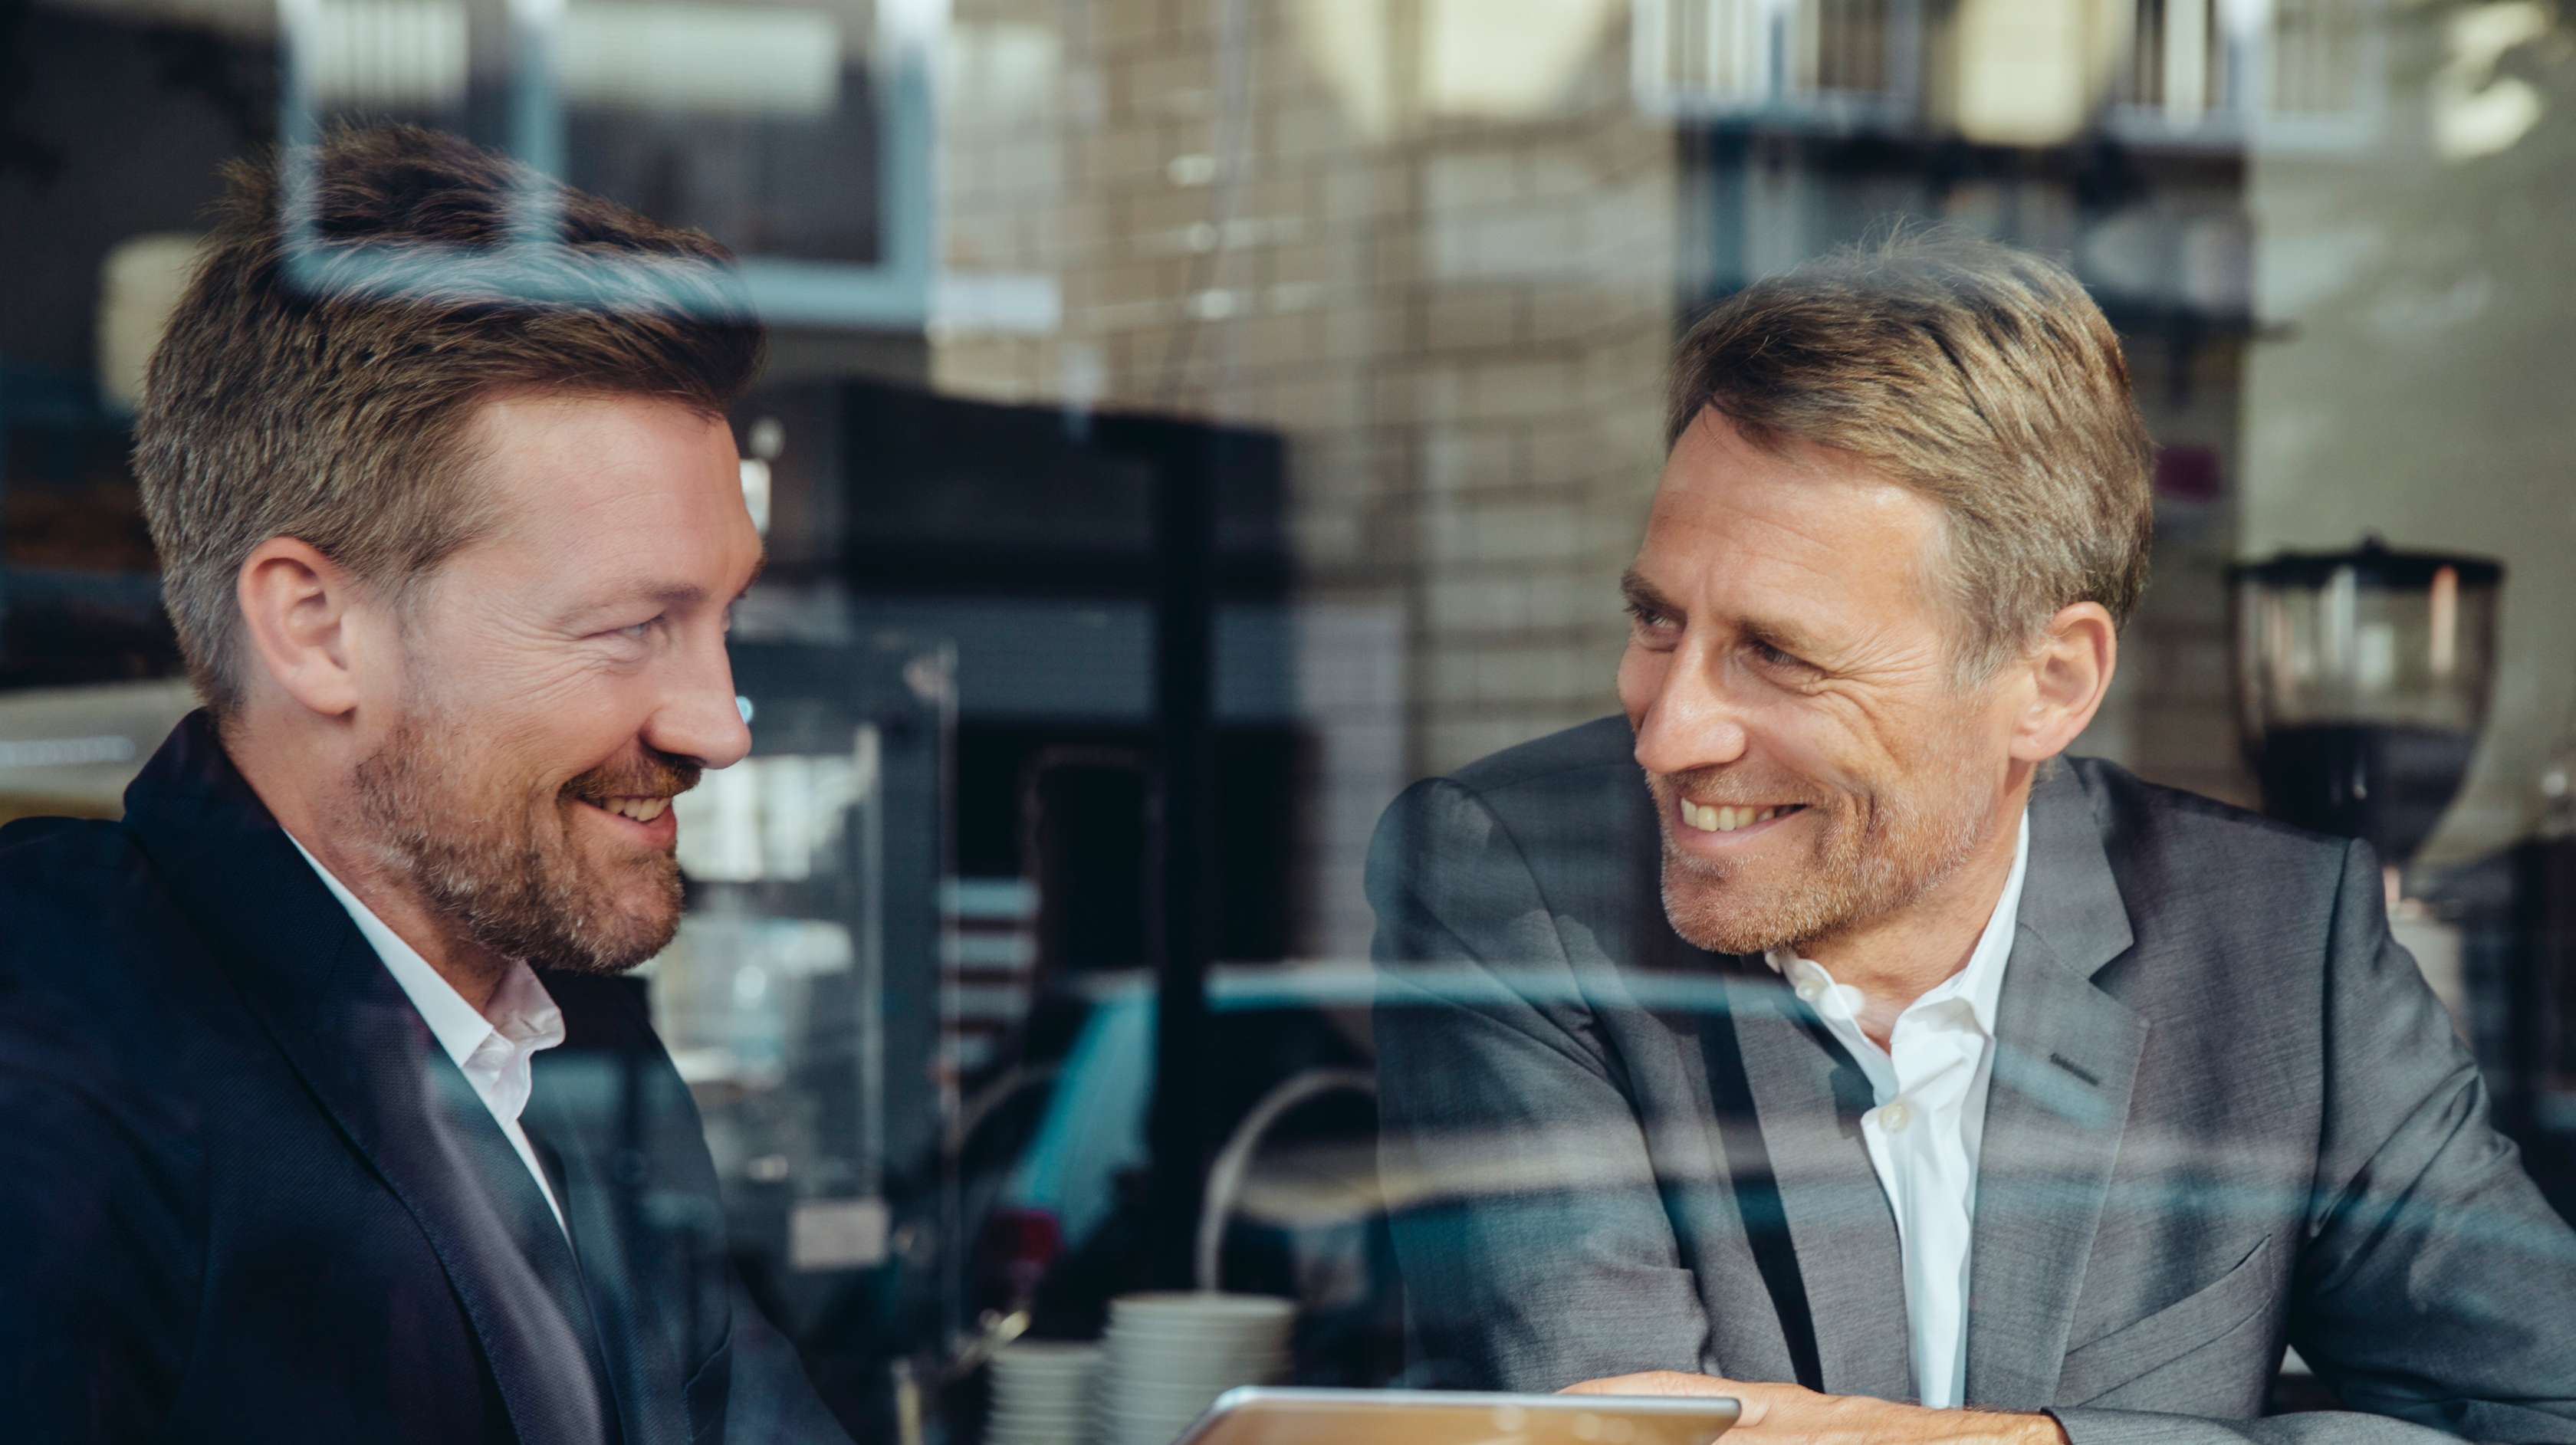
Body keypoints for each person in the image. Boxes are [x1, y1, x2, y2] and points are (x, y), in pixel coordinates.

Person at [1368, 235, 2576, 1443]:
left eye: (1779, 653)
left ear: (2049, 683)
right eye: (1657, 619)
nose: (1670, 732)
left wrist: (2033, 1443)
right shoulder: (1510, 881)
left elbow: (2546, 1403)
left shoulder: (2278, 949)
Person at [0, 125, 852, 1443]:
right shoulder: (50, 1066)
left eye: (723, 615)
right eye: (632, 626)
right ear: (318, 628)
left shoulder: (583, 1039)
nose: (716, 725)